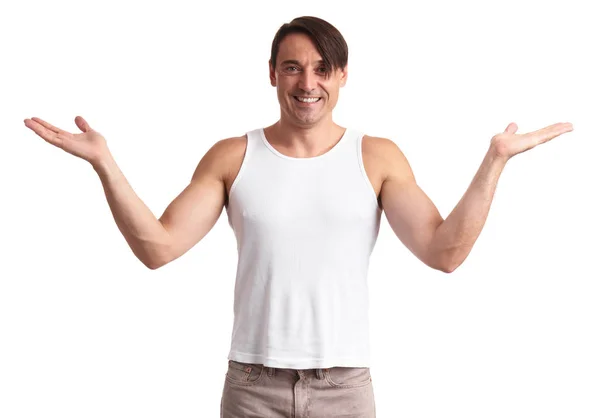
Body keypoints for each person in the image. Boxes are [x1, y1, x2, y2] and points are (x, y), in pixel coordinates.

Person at [24, 15, 572, 418]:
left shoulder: (377, 155)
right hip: (252, 386)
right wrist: (104, 163)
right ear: (272, 75)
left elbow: (443, 252)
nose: (307, 83)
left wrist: (494, 162)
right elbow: (158, 248)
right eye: (293, 68)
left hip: (345, 388)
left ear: (342, 76)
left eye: (321, 69)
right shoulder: (233, 155)